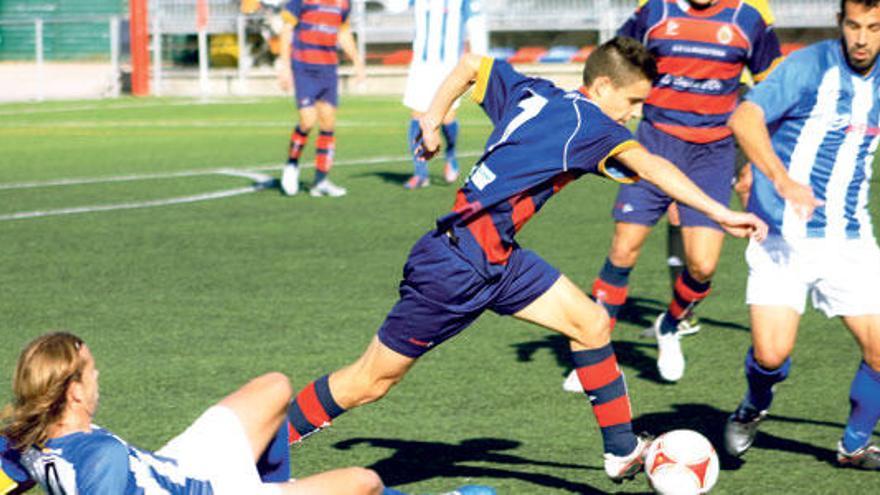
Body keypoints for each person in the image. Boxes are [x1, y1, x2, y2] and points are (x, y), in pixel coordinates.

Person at [280, 37, 767, 484]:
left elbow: (471, 64)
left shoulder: (536, 92)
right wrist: (720, 210)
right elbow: (652, 165)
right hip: (455, 267)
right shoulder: (592, 123)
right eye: (633, 102)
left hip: (496, 257)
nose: (635, 114)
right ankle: (264, 449)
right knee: (370, 381)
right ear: (602, 87)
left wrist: (432, 118)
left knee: (591, 324)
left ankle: (621, 450)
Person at [574, 0, 782, 384]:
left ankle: (670, 325)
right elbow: (616, 61)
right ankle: (594, 354)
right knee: (623, 248)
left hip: (713, 154)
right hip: (654, 143)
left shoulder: (749, 17)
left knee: (703, 266)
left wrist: (753, 157)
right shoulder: (654, 11)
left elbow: (773, 87)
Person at [722, 0, 880, 470]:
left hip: (849, 239)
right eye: (853, 26)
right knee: (771, 356)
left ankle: (853, 445)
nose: (862, 38)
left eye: (874, 27)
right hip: (781, 238)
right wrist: (781, 179)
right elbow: (744, 118)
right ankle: (752, 407)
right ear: (839, 23)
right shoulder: (810, 66)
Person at [0, 332, 389, 494]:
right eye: (90, 368)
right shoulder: (103, 458)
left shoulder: (26, 434)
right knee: (363, 481)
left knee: (274, 387)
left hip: (180, 464)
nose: (98, 374)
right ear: (74, 391)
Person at [277, 0, 366, 198]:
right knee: (308, 120)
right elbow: (286, 29)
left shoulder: (344, 3)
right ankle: (291, 165)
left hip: (328, 69)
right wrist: (284, 67)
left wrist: (357, 62)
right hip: (304, 67)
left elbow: (343, 32)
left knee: (328, 123)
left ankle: (321, 181)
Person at [399, 0, 488, 189]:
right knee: (418, 116)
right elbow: (395, 6)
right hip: (421, 65)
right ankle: (420, 173)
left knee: (446, 118)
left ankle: (451, 154)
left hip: (450, 65)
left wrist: (480, 61)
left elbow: (476, 24)